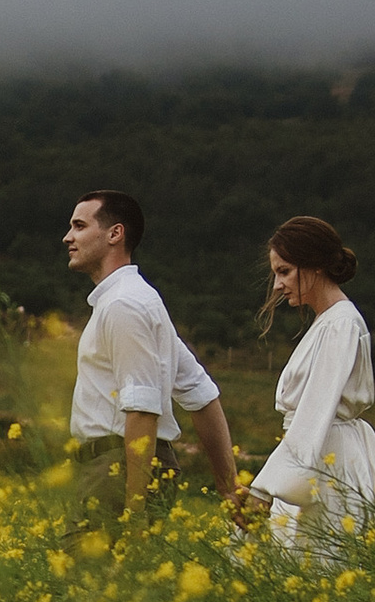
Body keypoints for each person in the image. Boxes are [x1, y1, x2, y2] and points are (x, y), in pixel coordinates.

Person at [60, 189, 240, 523]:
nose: (68, 237)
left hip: (120, 467)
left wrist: (135, 511)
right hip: (124, 467)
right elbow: (201, 394)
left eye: (79, 226)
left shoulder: (124, 304)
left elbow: (142, 407)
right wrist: (228, 488)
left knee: (85, 559)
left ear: (115, 234)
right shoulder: (137, 299)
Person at [246, 215, 375, 548]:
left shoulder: (341, 324)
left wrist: (262, 490)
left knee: (320, 559)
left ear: (315, 266)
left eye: (284, 271)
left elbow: (314, 412)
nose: (277, 285)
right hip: (313, 458)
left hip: (329, 459)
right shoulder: (328, 322)